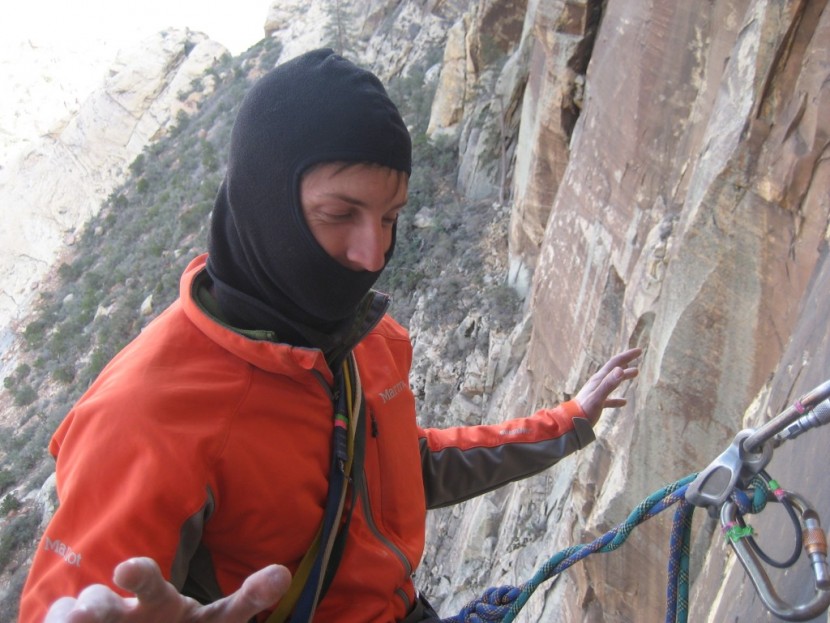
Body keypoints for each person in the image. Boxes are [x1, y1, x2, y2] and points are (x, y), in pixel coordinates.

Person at [19, 48, 642, 623]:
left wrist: (567, 421)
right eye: (340, 215)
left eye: (390, 217)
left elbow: (401, 467)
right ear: (266, 202)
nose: (373, 254)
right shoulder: (143, 416)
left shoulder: (362, 340)